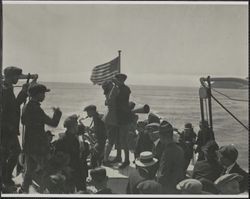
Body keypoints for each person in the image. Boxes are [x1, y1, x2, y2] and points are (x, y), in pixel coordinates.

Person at [20, 83, 62, 193]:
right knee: (48, 169)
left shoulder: (26, 106)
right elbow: (53, 123)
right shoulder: (36, 109)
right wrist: (58, 113)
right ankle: (42, 191)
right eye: (43, 93)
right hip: (38, 146)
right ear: (37, 94)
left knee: (29, 170)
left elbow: (24, 121)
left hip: (28, 144)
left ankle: (23, 190)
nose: (44, 96)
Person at [1, 66, 30, 187]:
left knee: (9, 153)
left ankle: (6, 177)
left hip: (9, 128)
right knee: (9, 153)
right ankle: (5, 178)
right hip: (6, 129)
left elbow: (14, 105)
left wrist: (24, 91)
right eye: (16, 76)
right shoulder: (4, 89)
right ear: (10, 76)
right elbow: (9, 109)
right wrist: (24, 91)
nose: (18, 78)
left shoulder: (8, 87)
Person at [54, 114, 87, 192]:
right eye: (76, 125)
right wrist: (65, 168)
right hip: (69, 172)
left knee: (82, 191)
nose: (77, 127)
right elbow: (57, 158)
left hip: (78, 170)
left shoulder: (74, 138)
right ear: (71, 127)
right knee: (69, 192)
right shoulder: (62, 141)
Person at [155, 120, 185, 194]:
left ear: (164, 136)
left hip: (169, 189)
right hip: (178, 186)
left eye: (160, 136)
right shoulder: (179, 149)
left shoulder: (167, 153)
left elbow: (162, 177)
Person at [112, 73, 133, 169]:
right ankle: (119, 156)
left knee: (123, 140)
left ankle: (126, 160)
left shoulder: (125, 89)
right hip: (119, 117)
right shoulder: (119, 89)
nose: (116, 81)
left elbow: (120, 101)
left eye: (118, 79)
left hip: (124, 117)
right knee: (118, 139)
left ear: (122, 80)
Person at [101, 80, 120, 166]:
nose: (112, 84)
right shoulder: (111, 93)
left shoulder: (107, 93)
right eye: (110, 84)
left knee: (115, 140)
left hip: (110, 119)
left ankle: (117, 156)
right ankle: (105, 160)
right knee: (111, 141)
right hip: (113, 120)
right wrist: (116, 85)